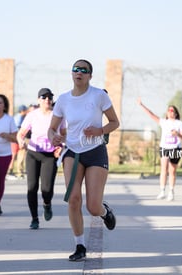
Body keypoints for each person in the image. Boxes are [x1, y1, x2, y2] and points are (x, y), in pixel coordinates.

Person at [48, 59, 119, 261]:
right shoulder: (63, 99)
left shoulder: (99, 96)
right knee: (73, 199)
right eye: (76, 69)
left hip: (95, 151)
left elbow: (115, 122)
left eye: (84, 70)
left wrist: (100, 131)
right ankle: (80, 245)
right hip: (72, 152)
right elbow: (52, 128)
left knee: (92, 207)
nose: (79, 72)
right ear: (72, 73)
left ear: (90, 75)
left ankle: (105, 211)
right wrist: (53, 136)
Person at [17, 88, 62, 230]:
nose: (47, 100)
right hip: (33, 153)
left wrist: (61, 147)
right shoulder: (32, 115)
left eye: (49, 97)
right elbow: (21, 134)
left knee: (46, 189)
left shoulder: (57, 116)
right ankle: (34, 218)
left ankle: (47, 204)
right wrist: (20, 142)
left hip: (49, 155)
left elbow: (64, 134)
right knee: (32, 187)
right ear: (38, 100)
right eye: (43, 97)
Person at [137, 98, 182, 201]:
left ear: (176, 113)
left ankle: (171, 191)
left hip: (176, 148)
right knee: (163, 169)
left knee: (172, 171)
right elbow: (151, 114)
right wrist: (141, 105)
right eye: (168, 110)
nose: (169, 112)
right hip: (164, 147)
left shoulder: (179, 123)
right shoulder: (163, 122)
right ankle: (162, 190)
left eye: (172, 110)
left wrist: (177, 134)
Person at [8, 105, 29, 179]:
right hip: (15, 138)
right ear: (22, 111)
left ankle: (18, 171)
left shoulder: (22, 117)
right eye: (25, 110)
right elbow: (17, 128)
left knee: (19, 154)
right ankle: (10, 171)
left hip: (18, 138)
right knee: (13, 155)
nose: (26, 111)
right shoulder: (18, 117)